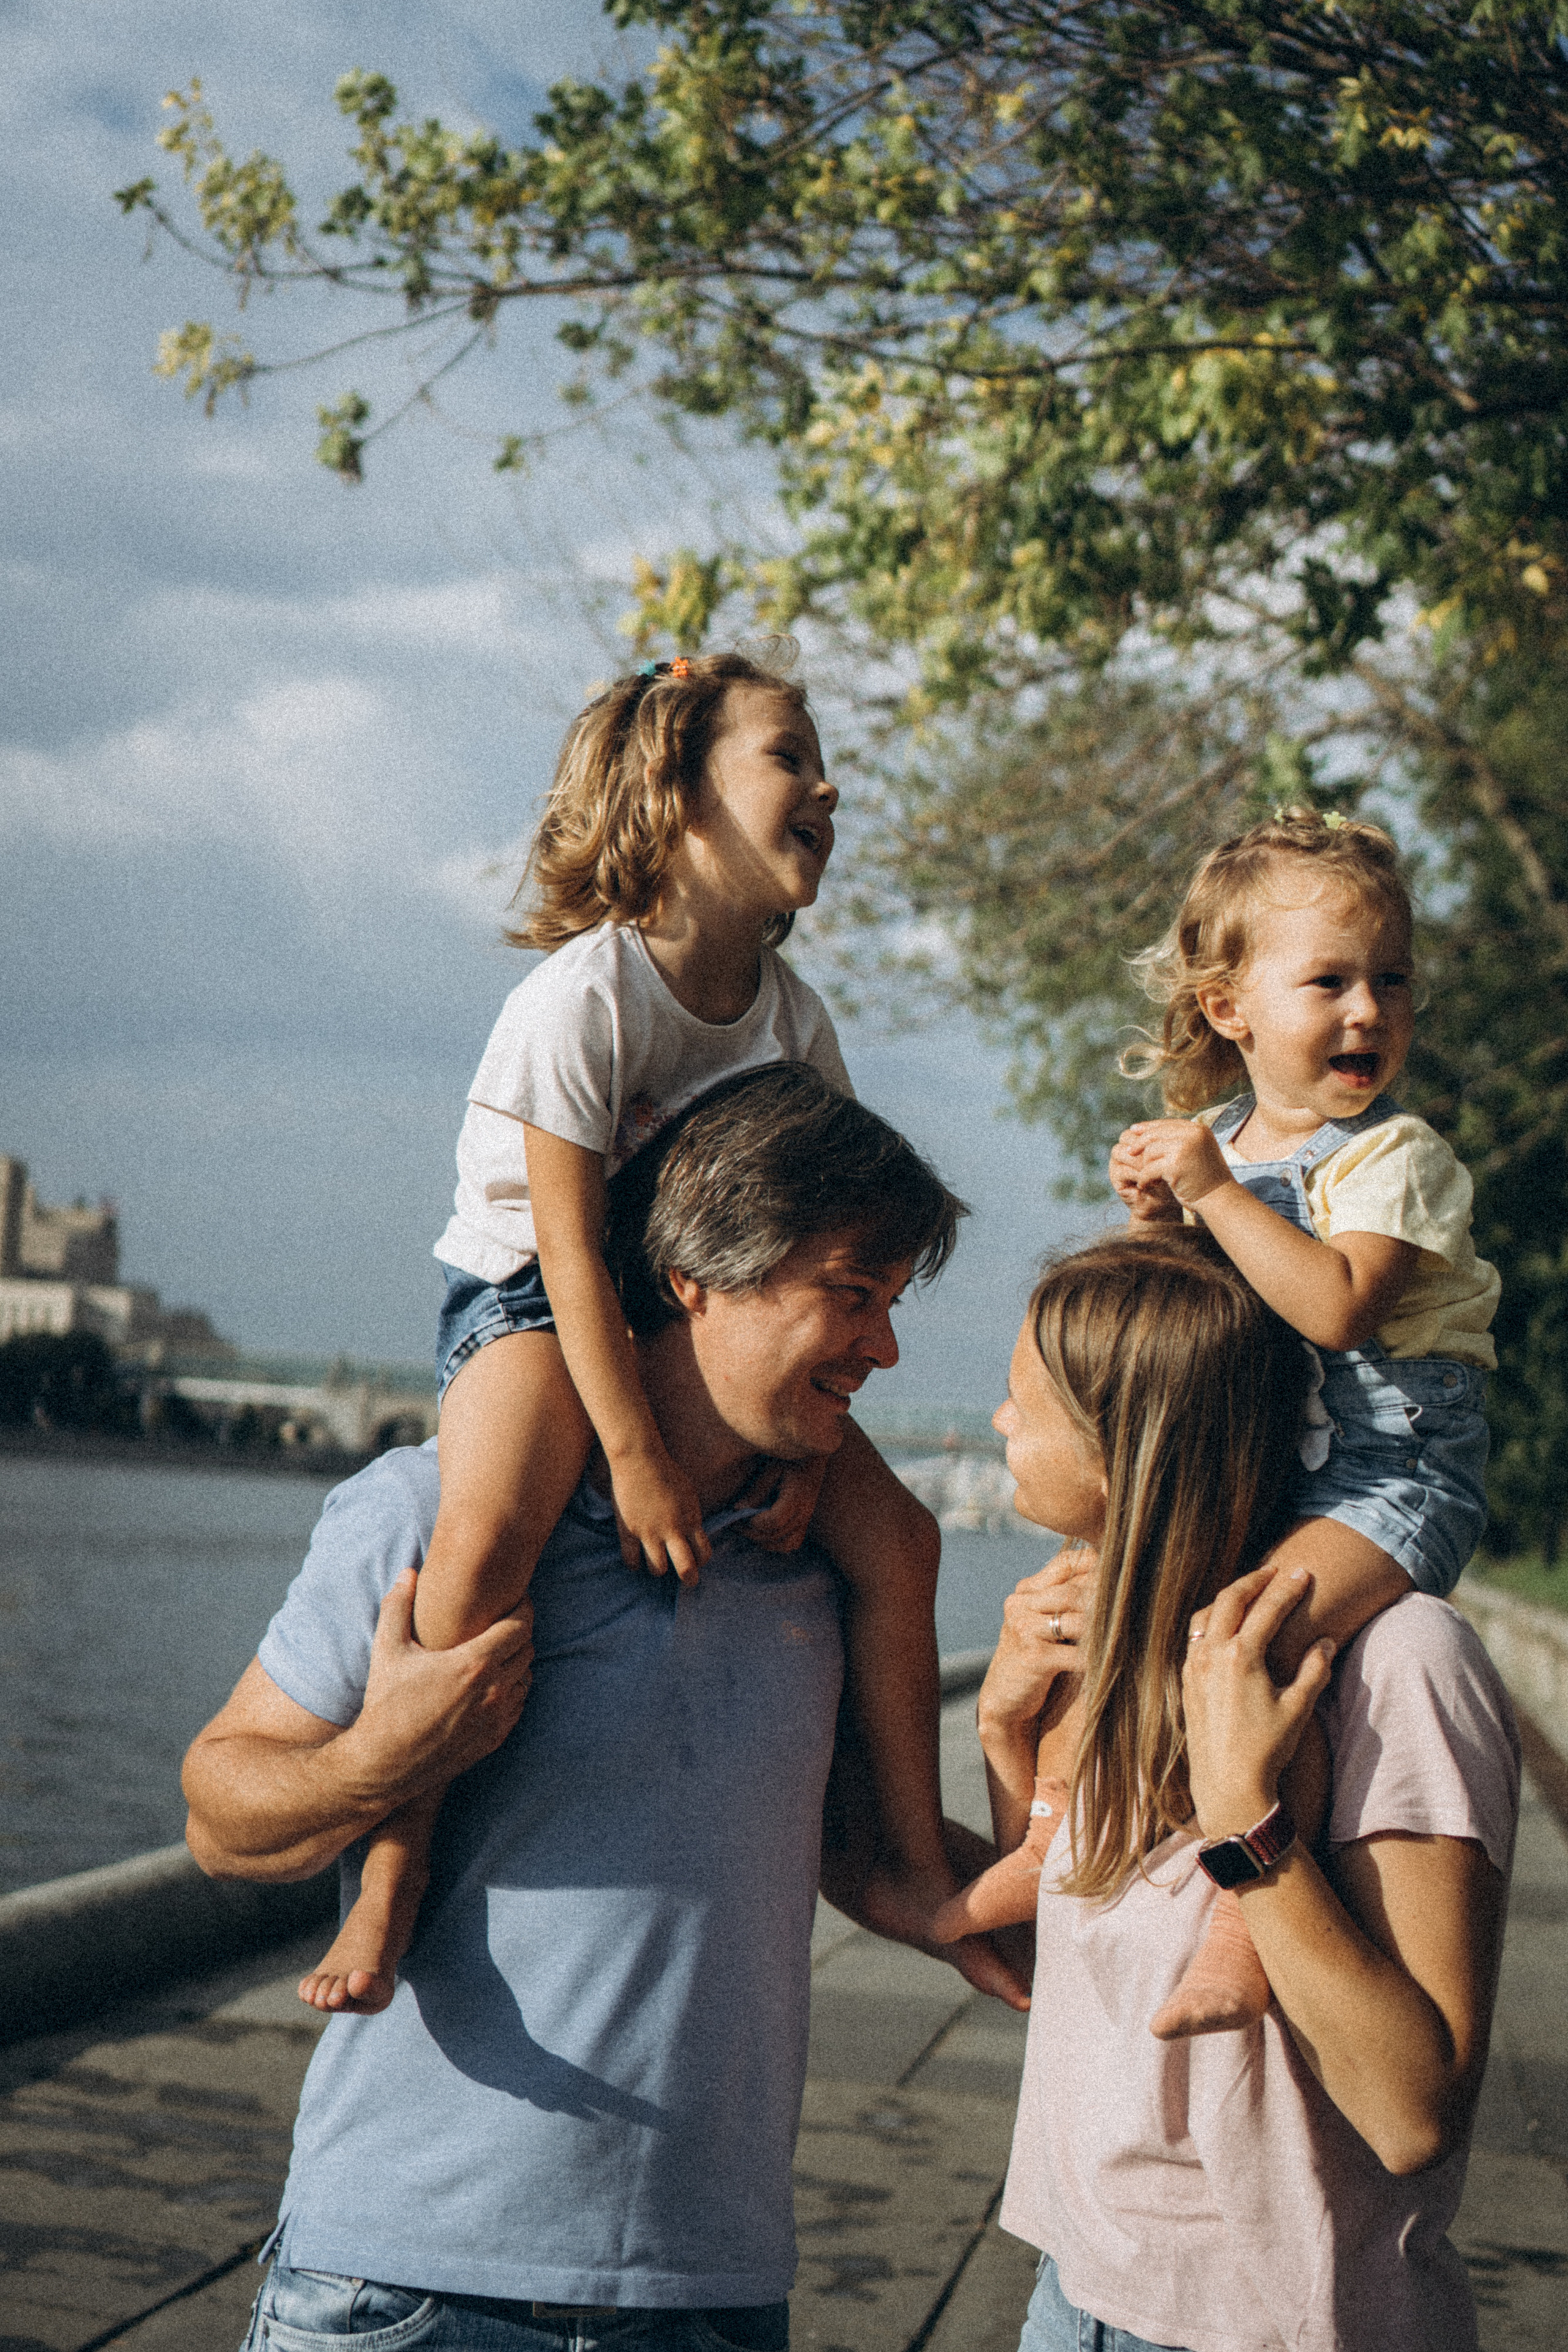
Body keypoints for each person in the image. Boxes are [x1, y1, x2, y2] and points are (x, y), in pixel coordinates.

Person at [183, 1065, 1024, 2349]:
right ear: (695, 1275)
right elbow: (219, 1814)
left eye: (892, 1303)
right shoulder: (427, 1515)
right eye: (850, 1296)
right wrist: (374, 1763)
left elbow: (861, 1855)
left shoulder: (825, 1567)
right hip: (406, 2290)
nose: (884, 1347)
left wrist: (1060, 1905)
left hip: (714, 2297)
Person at [302, 648, 957, 2013]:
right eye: (788, 755)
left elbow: (828, 1234)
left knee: (899, 1538)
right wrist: (638, 1453)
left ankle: (907, 1854)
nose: (826, 784)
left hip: (696, 1308)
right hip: (537, 1292)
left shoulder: (791, 1022)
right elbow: (561, 1240)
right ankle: (394, 1854)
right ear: (676, 791)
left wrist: (799, 1439)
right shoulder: (583, 996)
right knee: (486, 1534)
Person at [937, 807, 1498, 2043]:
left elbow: (1335, 1309)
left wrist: (1204, 1193)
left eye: (1389, 981)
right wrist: (1156, 1218)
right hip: (1280, 1466)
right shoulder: (1229, 1151)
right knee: (1126, 1615)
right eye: (1328, 982)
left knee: (1244, 1644)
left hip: (1388, 1476)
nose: (1366, 1011)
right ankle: (1052, 1838)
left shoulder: (1394, 1158)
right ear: (1226, 1008)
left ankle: (1243, 1927)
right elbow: (1190, 1333)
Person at [978, 1228, 1517, 2352]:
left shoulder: (1397, 1663)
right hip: (1070, 2292)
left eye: (1022, 1396)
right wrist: (1004, 1722)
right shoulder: (1107, 1644)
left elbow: (1412, 2113)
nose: (999, 1421)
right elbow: (1060, 1980)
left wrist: (1247, 1825)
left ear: (1125, 1445)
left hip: (1263, 2325)